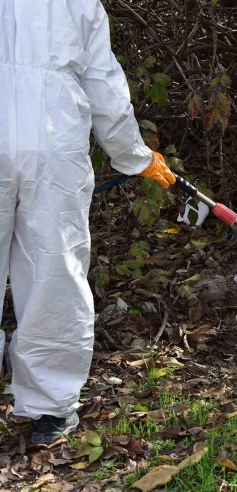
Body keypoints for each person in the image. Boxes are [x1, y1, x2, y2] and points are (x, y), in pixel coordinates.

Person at [0, 0, 175, 444]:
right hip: (55, 146)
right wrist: (133, 155)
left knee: (56, 272)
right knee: (54, 271)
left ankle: (50, 408)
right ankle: (50, 409)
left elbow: (102, 81)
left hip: (53, 149)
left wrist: (133, 155)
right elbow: (104, 85)